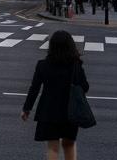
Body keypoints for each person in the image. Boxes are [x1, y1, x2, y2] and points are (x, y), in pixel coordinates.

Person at [21, 29, 91, 160]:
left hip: (48, 110)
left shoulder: (42, 65)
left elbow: (34, 88)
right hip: (70, 111)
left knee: (53, 147)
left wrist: (27, 109)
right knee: (69, 144)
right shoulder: (75, 65)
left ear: (51, 46)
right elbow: (85, 87)